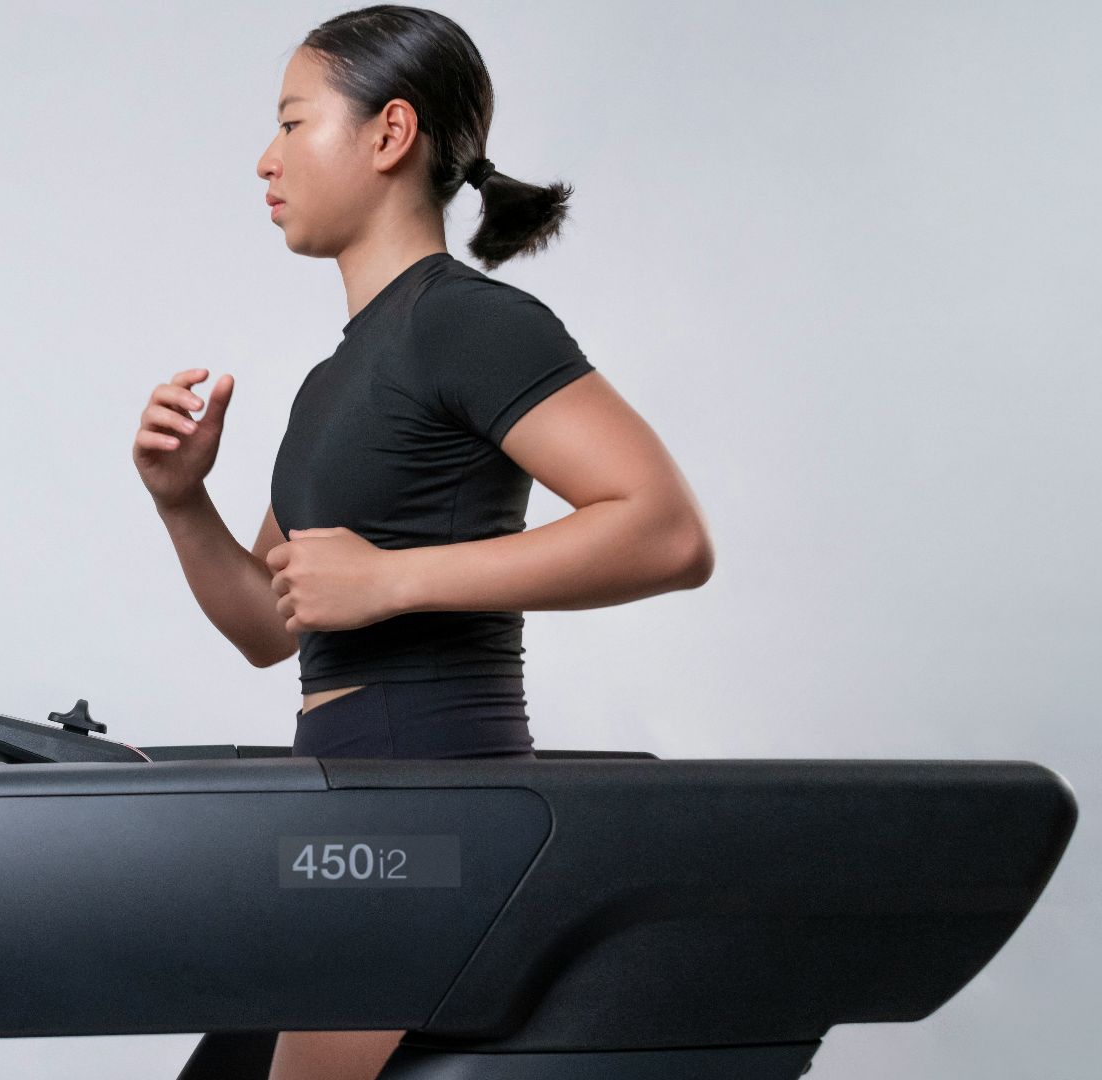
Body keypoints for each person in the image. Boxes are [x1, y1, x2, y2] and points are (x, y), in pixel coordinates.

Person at [132, 6, 714, 1079]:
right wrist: (181, 501)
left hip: (429, 803)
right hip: (345, 801)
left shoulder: (468, 322)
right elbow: (271, 623)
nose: (265, 159)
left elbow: (664, 530)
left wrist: (393, 580)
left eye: (294, 123)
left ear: (389, 134)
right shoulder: (331, 380)